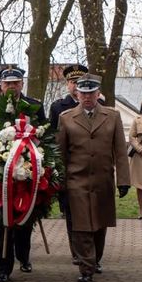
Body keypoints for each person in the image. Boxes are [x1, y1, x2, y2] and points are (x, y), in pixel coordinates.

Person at [57, 74, 130, 282]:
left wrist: (123, 180)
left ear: (98, 94)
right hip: (76, 180)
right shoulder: (66, 117)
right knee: (81, 225)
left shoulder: (112, 116)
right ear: (77, 93)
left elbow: (120, 151)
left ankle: (95, 260)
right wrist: (60, 182)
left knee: (99, 224)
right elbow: (61, 152)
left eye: (91, 93)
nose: (87, 97)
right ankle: (85, 267)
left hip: (102, 179)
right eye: (83, 92)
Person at [0, 67, 47, 282]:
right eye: (8, 83)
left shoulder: (34, 105)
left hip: (27, 169)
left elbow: (44, 135)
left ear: (22, 84)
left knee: (25, 216)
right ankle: (2, 267)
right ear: (1, 85)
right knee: (1, 220)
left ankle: (23, 256)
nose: (12, 87)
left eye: (16, 82)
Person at [51, 64, 87, 262]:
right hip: (68, 165)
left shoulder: (96, 104)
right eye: (73, 82)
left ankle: (89, 252)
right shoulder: (58, 107)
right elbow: (52, 138)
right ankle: (76, 251)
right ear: (67, 85)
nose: (76, 86)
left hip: (88, 164)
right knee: (71, 212)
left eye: (79, 82)